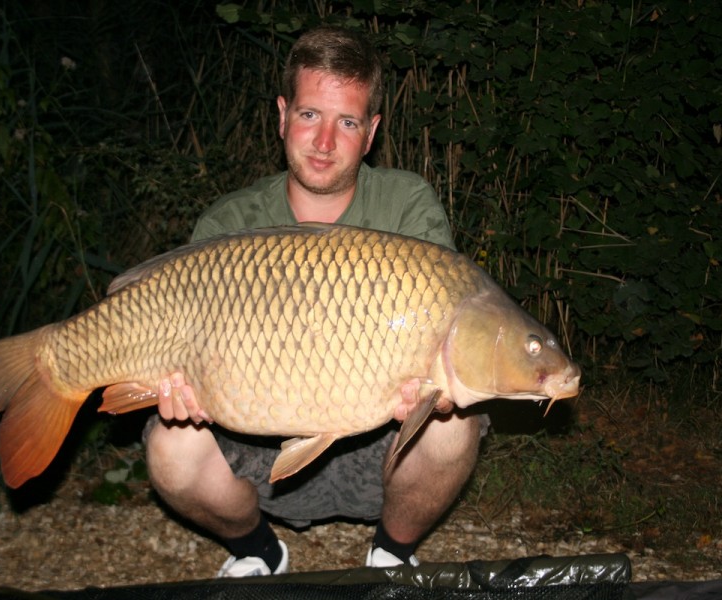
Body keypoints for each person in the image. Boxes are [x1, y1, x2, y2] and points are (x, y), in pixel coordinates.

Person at [145, 25, 484, 578]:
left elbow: (446, 325)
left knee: (455, 419)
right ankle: (259, 549)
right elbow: (183, 343)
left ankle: (391, 555)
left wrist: (430, 388)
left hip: (381, 453)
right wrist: (185, 386)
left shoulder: (406, 204)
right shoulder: (230, 222)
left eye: (346, 122)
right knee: (170, 447)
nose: (324, 142)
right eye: (309, 115)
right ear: (282, 115)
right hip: (258, 449)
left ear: (371, 132)